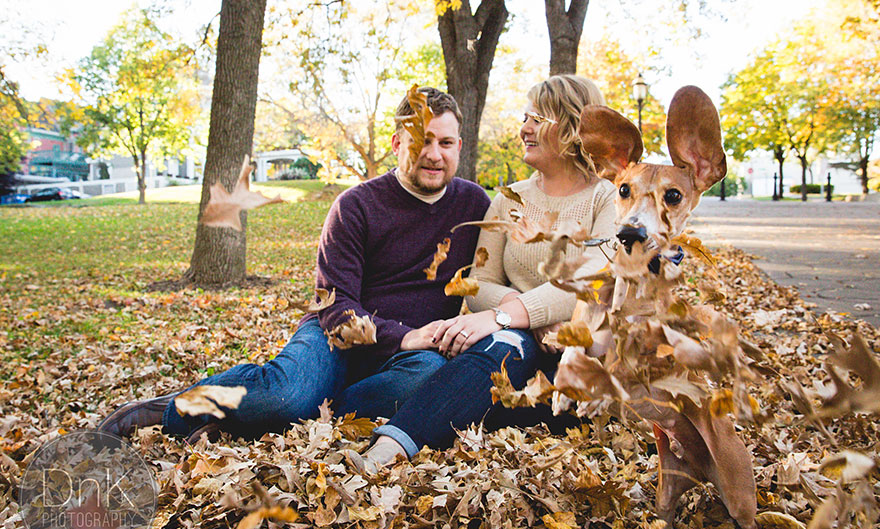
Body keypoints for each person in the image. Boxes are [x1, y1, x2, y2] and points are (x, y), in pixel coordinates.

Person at [98, 87, 491, 442]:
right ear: (396, 143)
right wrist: (406, 336)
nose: (433, 154)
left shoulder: (475, 206)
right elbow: (335, 308)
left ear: (459, 146)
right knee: (285, 398)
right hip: (336, 338)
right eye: (421, 140)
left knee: (428, 379)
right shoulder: (356, 206)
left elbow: (503, 273)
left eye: (445, 142)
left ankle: (306, 404)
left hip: (411, 356)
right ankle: (181, 406)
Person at [347, 74, 617, 468]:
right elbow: (477, 284)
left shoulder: (607, 197)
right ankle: (389, 447)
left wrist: (507, 315)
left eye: (537, 118)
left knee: (476, 375)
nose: (524, 128)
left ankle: (374, 417)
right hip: (513, 349)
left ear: (574, 127)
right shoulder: (510, 199)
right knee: (500, 350)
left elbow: (591, 282)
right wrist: (520, 318)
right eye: (526, 117)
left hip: (579, 354)